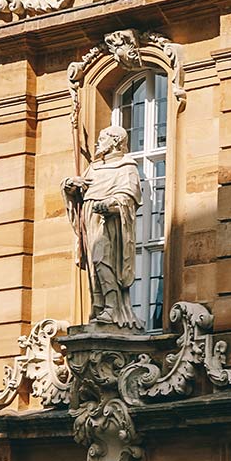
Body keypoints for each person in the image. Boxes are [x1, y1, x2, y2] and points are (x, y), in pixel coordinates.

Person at [62, 125, 143, 329]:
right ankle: (99, 305)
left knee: (103, 260)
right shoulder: (94, 167)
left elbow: (129, 197)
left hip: (109, 223)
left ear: (115, 141)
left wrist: (111, 204)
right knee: (93, 264)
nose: (98, 142)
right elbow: (80, 189)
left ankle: (112, 307)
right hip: (90, 220)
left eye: (102, 138)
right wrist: (70, 186)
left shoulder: (127, 167)